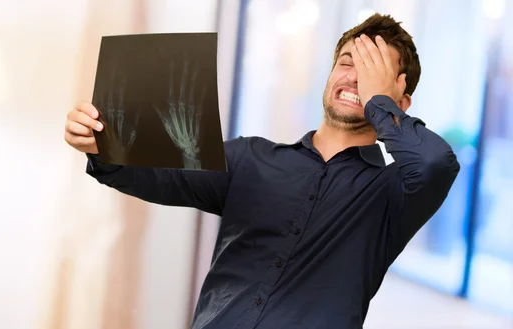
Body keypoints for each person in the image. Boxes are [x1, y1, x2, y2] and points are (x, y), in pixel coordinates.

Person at [64, 13, 460, 329]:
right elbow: (156, 173)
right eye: (346, 62)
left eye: (373, 73)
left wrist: (377, 101)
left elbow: (436, 163)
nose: (354, 77)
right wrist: (103, 144)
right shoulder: (249, 157)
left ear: (399, 103)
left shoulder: (393, 194)